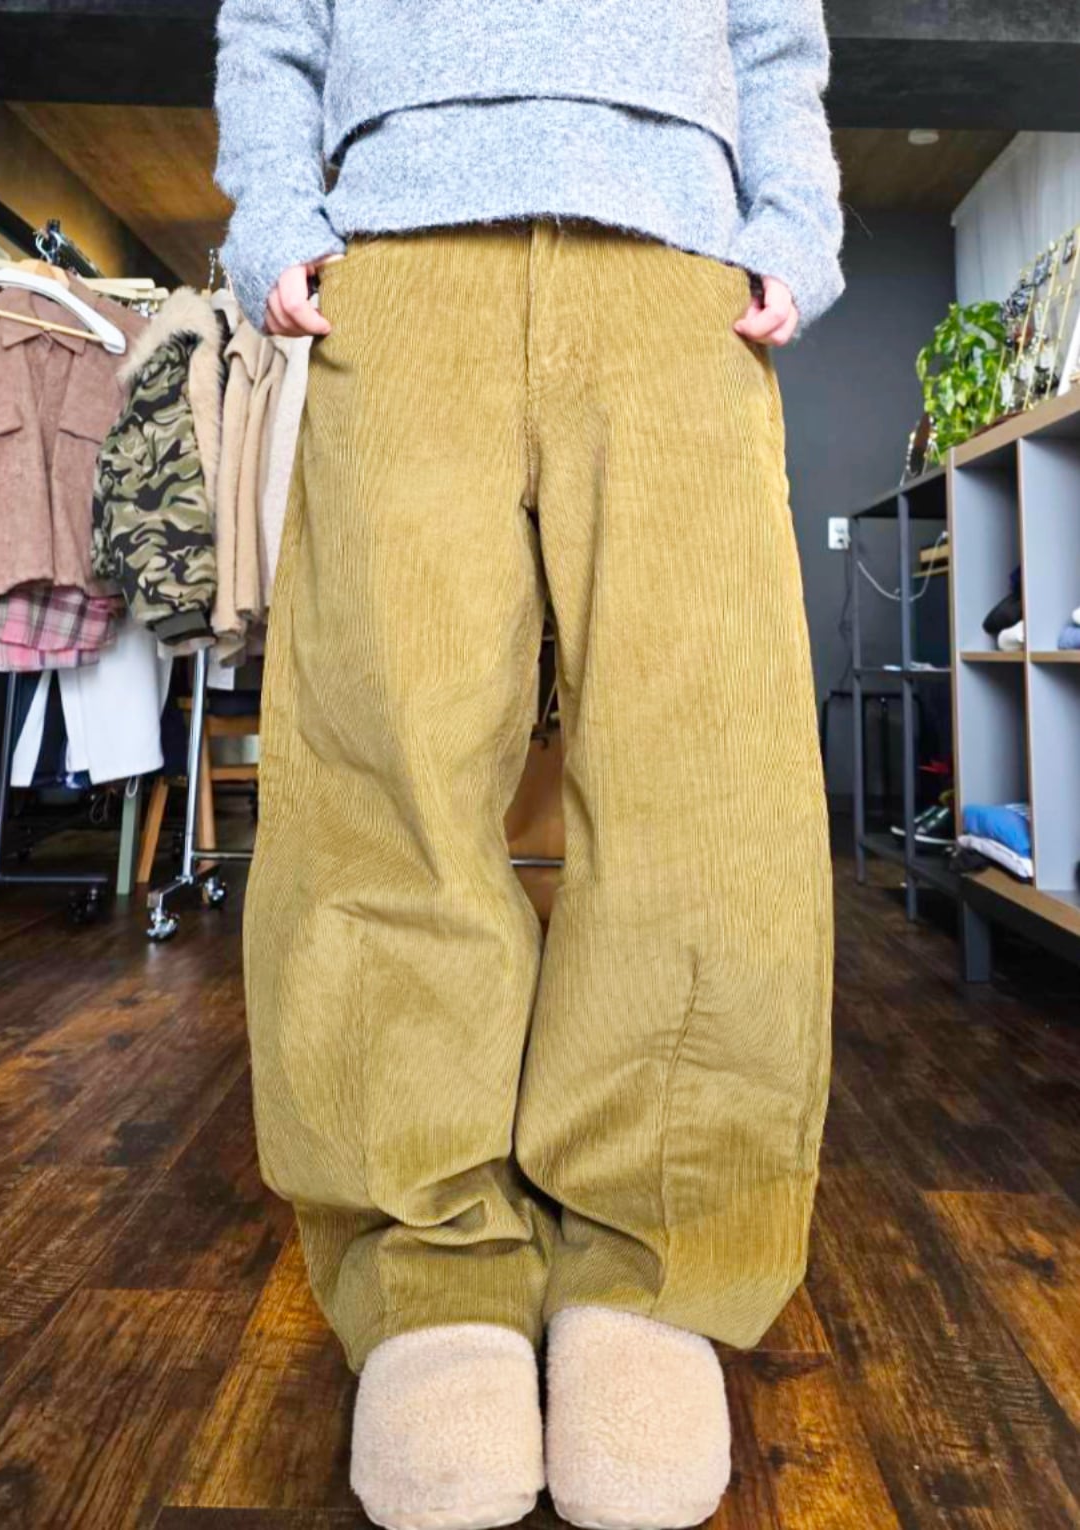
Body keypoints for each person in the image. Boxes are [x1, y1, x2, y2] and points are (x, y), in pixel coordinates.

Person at [214, 3, 842, 1527]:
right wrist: (277, 209)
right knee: (384, 779)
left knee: (710, 781)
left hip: (677, 271)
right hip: (399, 262)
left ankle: (653, 1262)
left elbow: (777, 31)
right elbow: (270, 18)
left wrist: (793, 226)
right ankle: (431, 1278)